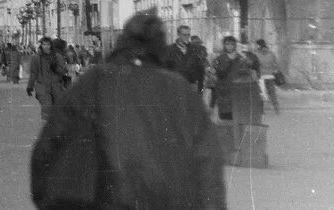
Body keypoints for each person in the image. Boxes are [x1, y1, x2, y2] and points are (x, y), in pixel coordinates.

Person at [31, 13, 226, 209]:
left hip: (107, 199)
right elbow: (208, 161)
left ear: (122, 42)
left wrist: (47, 200)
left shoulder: (93, 81)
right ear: (160, 47)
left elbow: (48, 148)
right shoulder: (180, 89)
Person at [212, 35, 261, 121]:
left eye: (232, 44)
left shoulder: (241, 57)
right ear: (224, 45)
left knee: (240, 117)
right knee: (226, 117)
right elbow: (220, 73)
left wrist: (244, 57)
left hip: (239, 92)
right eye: (227, 44)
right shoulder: (219, 59)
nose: (230, 46)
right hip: (225, 91)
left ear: (235, 45)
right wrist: (230, 61)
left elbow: (253, 66)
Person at [26, 36, 67, 120]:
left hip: (56, 86)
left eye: (48, 44)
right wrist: (30, 86)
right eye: (44, 44)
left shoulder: (57, 56)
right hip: (42, 86)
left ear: (51, 45)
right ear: (41, 45)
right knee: (46, 109)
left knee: (58, 108)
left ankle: (56, 129)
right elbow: (33, 73)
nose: (46, 46)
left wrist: (55, 67)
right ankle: (47, 129)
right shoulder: (35, 57)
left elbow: (63, 70)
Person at [163, 24, 205, 92]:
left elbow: (200, 70)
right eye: (184, 35)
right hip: (175, 86)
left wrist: (201, 88)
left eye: (188, 35)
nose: (186, 37)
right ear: (178, 34)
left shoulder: (195, 49)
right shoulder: (169, 50)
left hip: (191, 85)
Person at [255, 39, 280, 114]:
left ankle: (262, 110)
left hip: (261, 77)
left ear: (259, 45)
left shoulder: (257, 54)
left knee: (261, 93)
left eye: (256, 45)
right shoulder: (271, 53)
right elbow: (275, 64)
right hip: (270, 76)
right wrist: (273, 69)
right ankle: (277, 109)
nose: (256, 46)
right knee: (272, 93)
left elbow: (255, 65)